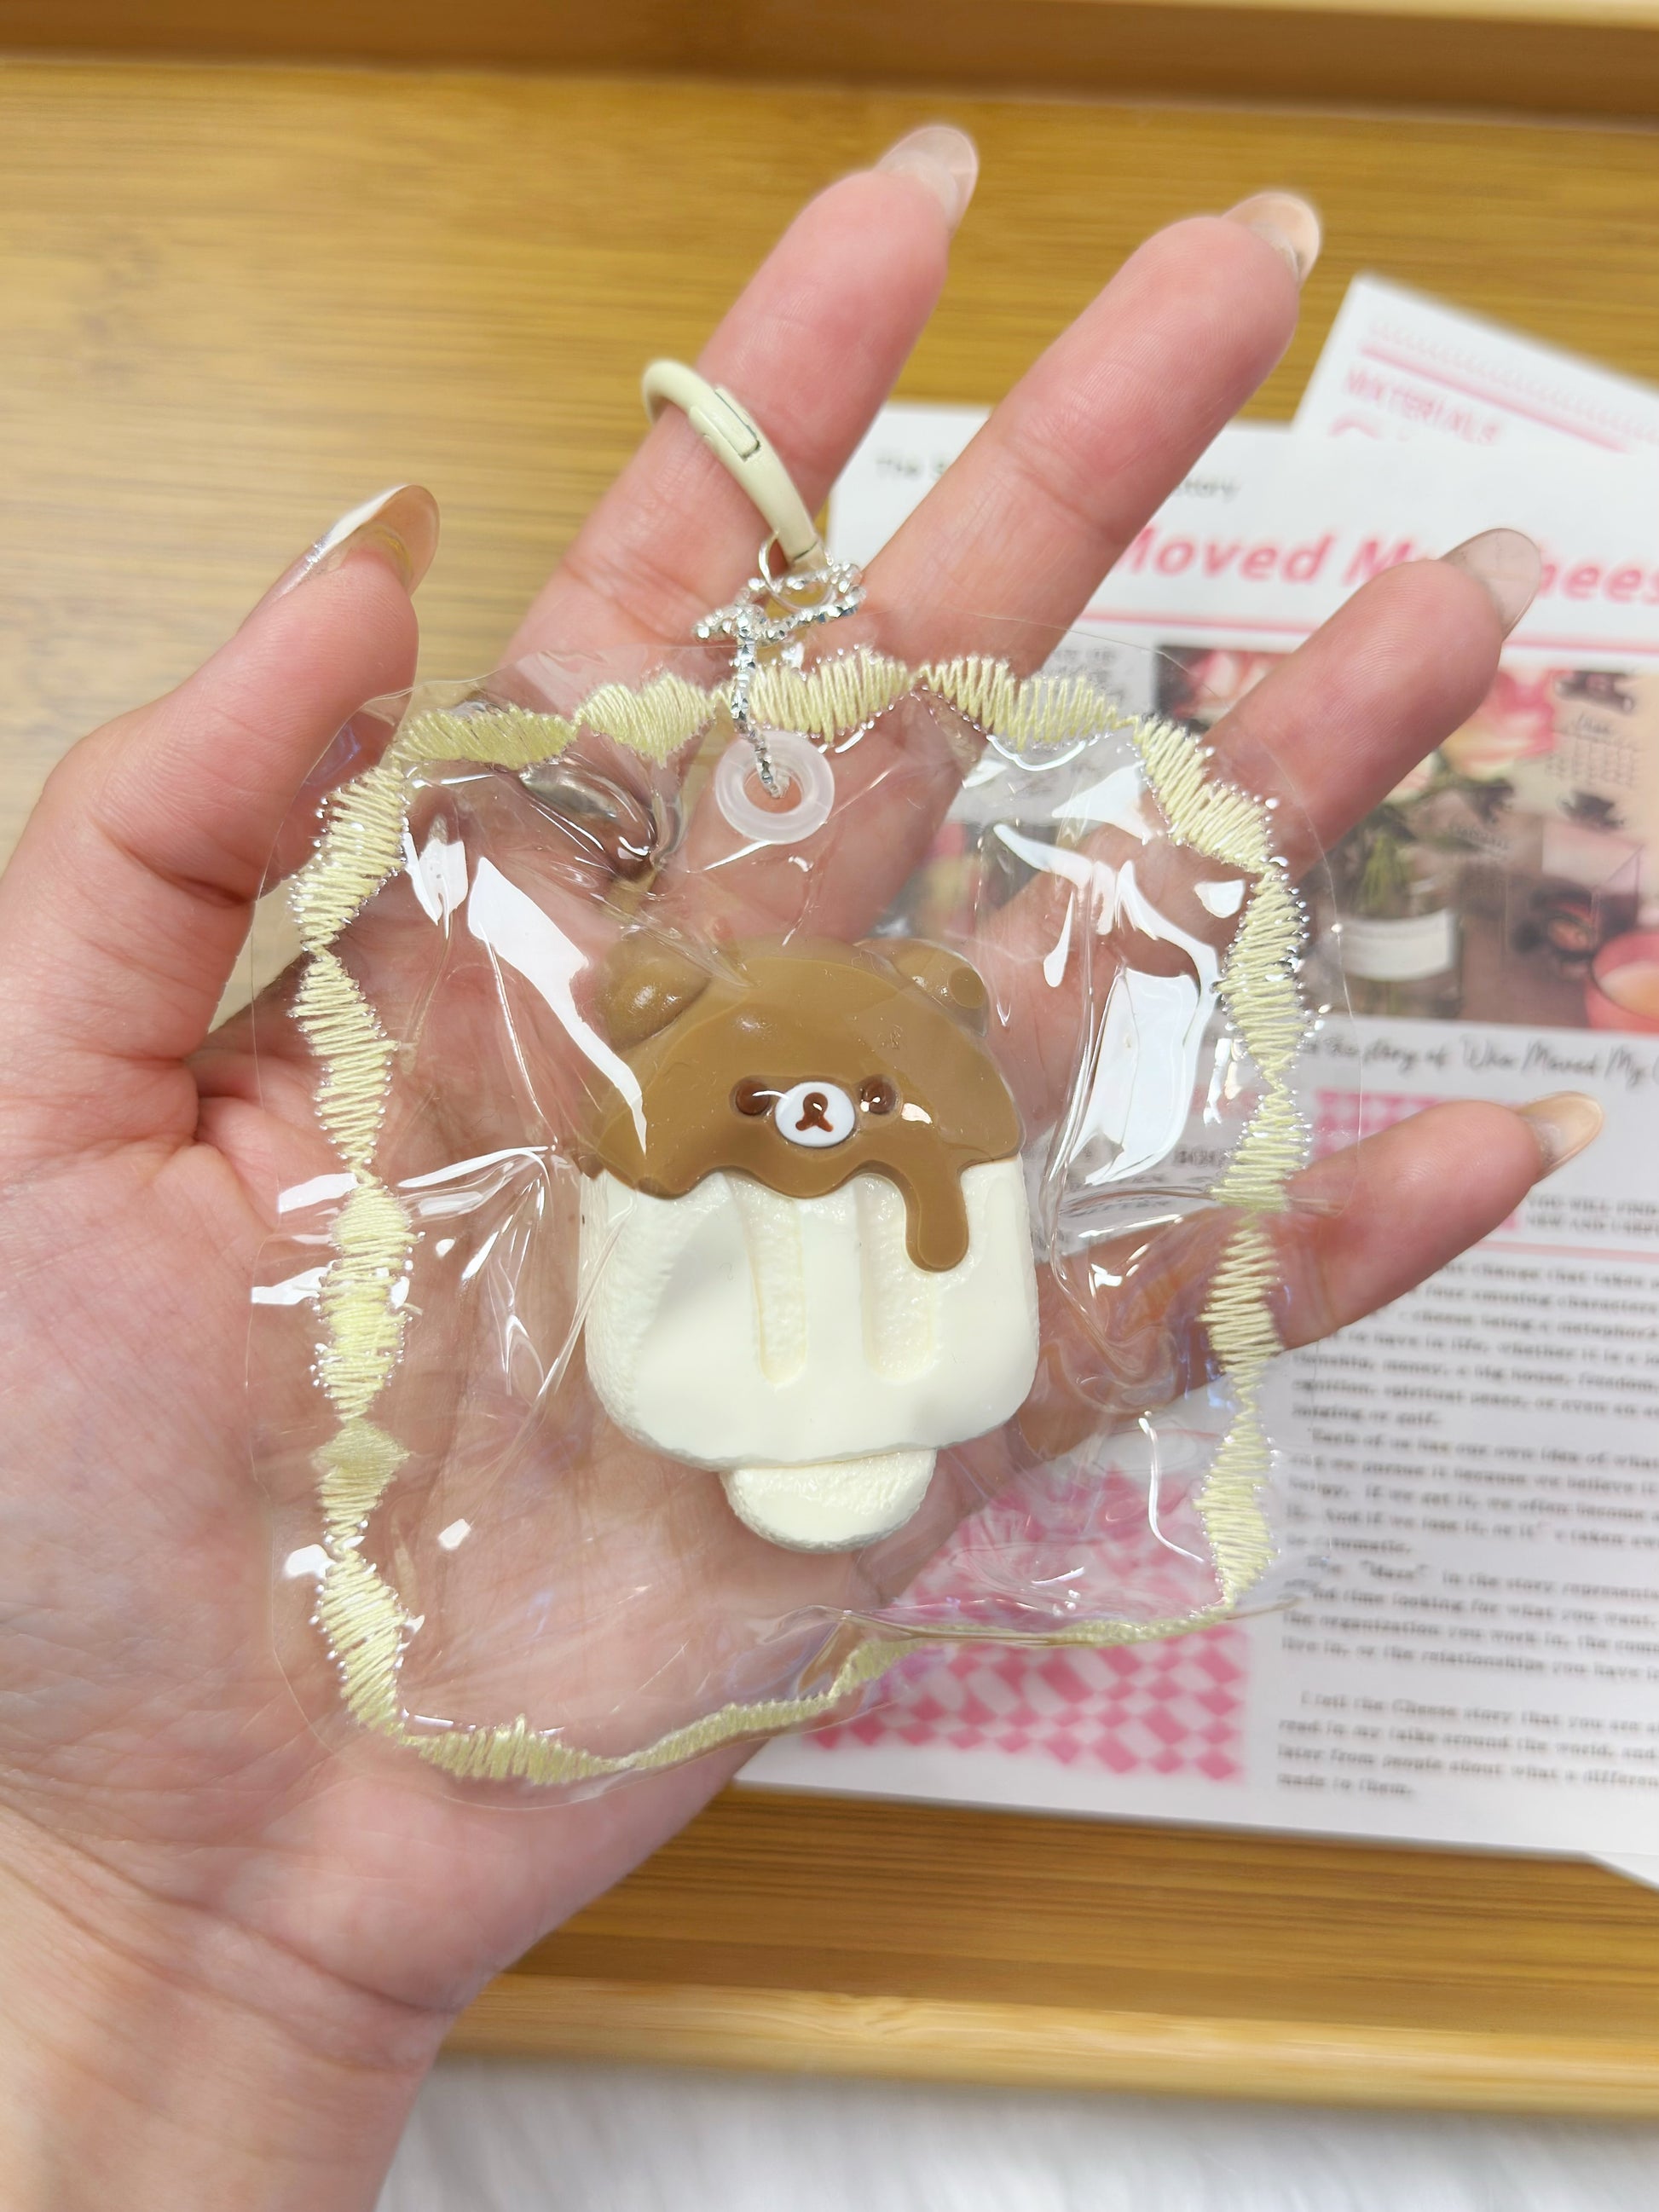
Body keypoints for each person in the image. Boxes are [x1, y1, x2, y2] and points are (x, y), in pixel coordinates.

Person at [0, 126, 1597, 2208]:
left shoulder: (874, 1129)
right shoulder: (665, 1138)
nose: (820, 1130)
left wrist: (144, 1943)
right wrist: (120, 1907)